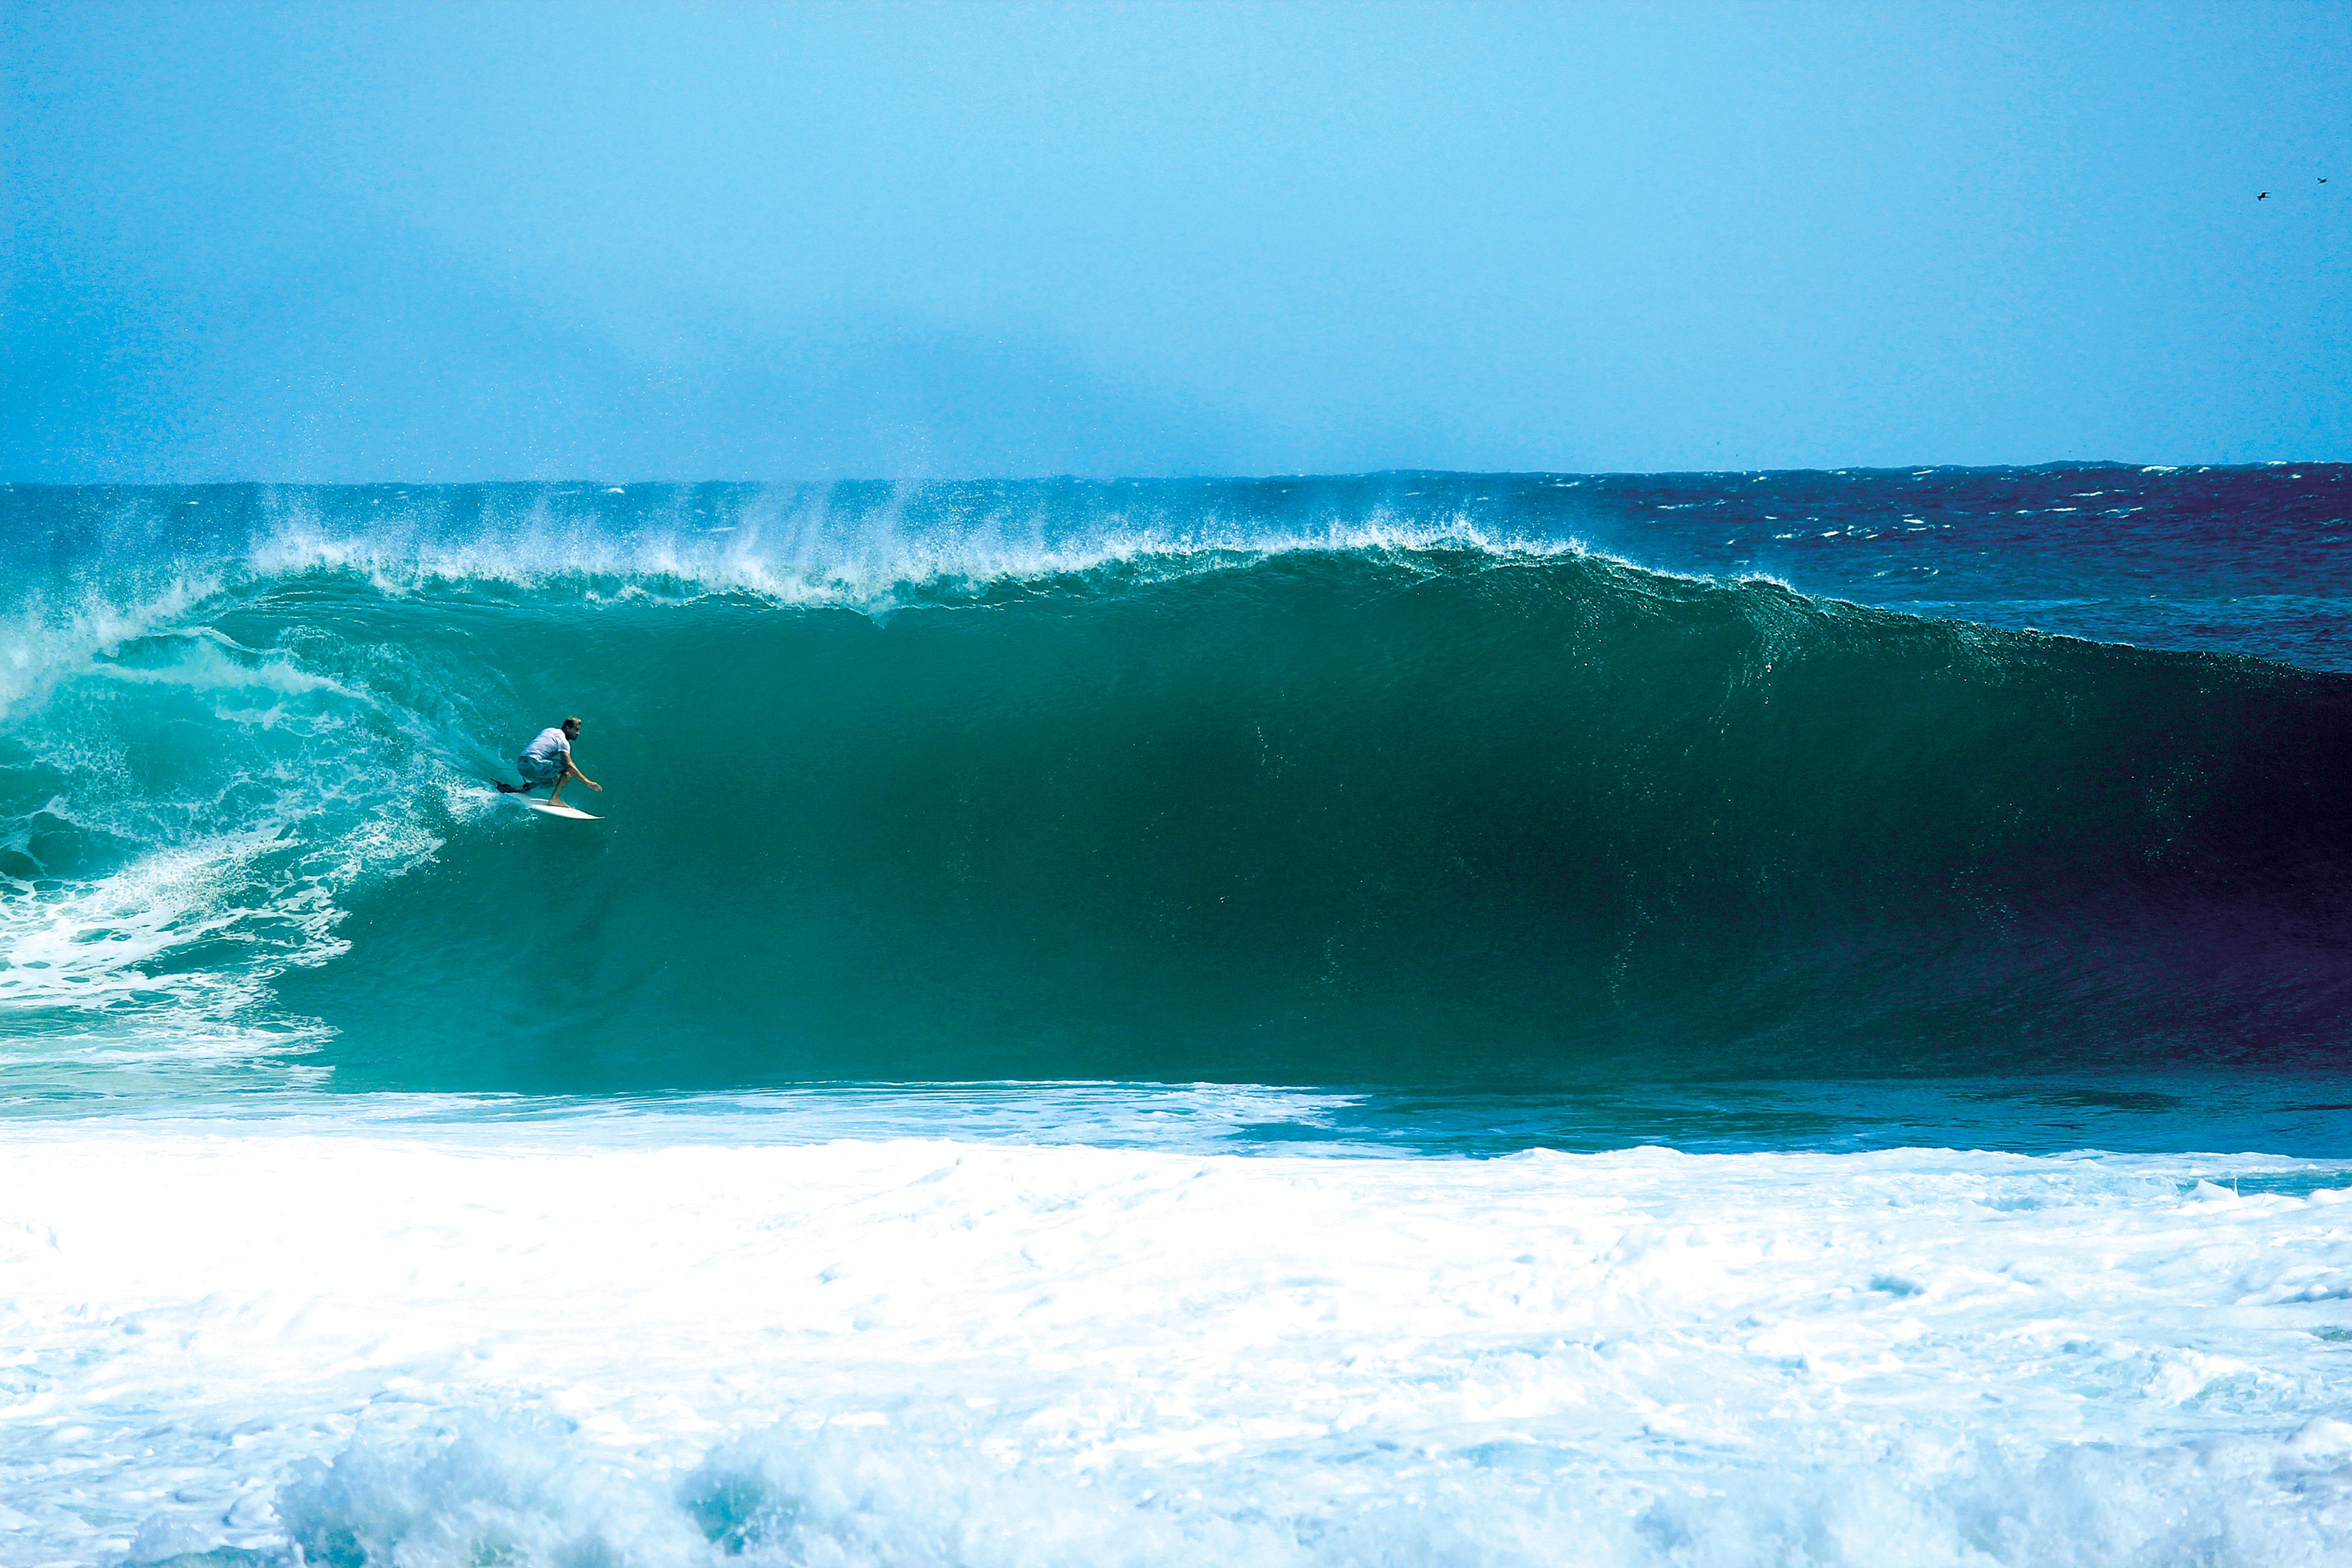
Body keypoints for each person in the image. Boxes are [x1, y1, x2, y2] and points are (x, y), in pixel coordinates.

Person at [497, 716, 602, 805]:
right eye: (576, 729)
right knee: (568, 771)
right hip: (533, 764)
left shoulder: (549, 730)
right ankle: (554, 799)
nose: (578, 733)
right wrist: (588, 782)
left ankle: (520, 789)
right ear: (567, 728)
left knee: (552, 778)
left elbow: (538, 743)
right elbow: (570, 766)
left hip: (522, 763)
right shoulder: (563, 742)